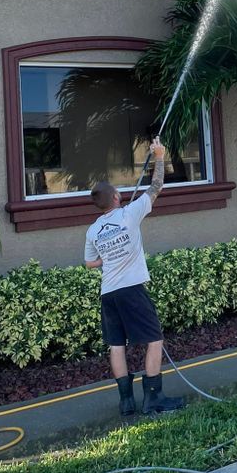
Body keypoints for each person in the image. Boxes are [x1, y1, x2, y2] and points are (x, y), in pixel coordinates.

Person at [84, 136, 185, 416]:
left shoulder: (93, 230)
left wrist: (109, 257)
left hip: (109, 294)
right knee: (154, 340)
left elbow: (89, 263)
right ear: (116, 198)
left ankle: (126, 402)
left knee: (117, 345)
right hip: (131, 290)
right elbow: (156, 186)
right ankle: (153, 399)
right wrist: (160, 156)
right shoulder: (130, 214)